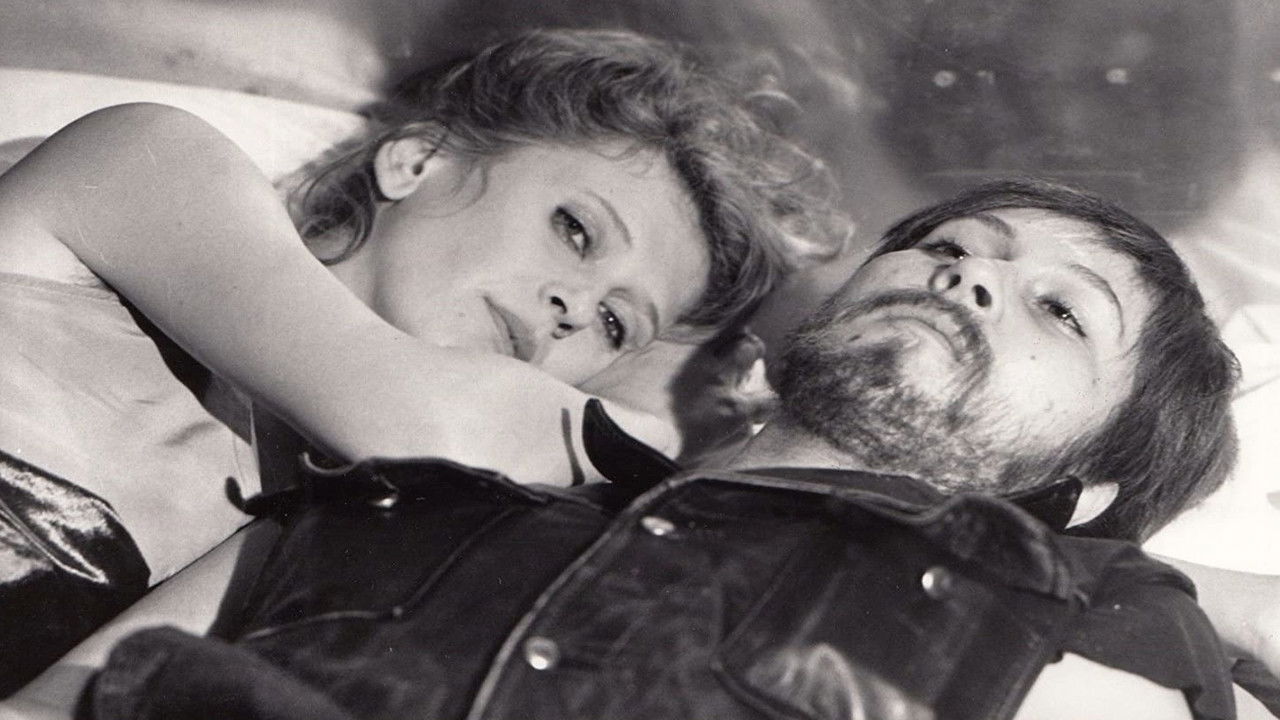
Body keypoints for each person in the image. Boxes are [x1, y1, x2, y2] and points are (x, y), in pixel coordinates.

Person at [67, 180, 1239, 720]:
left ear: (1082, 488)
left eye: (1060, 313)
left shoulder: (1054, 641)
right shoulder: (386, 503)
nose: (968, 275)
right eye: (948, 245)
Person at [0, 29, 848, 693]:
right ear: (418, 160)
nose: (574, 307)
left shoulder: (313, 541)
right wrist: (678, 436)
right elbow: (430, 421)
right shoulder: (154, 162)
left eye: (616, 324)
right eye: (576, 229)